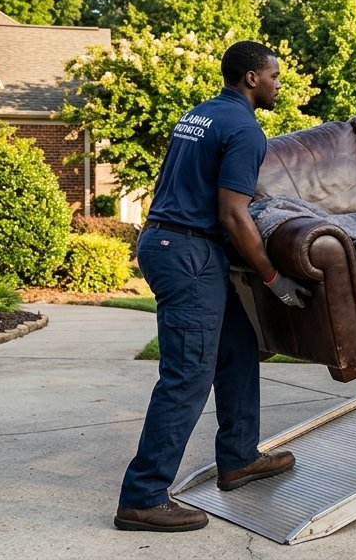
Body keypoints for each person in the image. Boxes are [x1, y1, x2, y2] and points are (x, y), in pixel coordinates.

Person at [115, 41, 313, 532]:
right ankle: (142, 497)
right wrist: (274, 278)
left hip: (169, 243)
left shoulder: (200, 115)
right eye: (274, 75)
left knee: (238, 348)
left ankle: (240, 458)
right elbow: (232, 213)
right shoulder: (245, 129)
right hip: (187, 254)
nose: (277, 84)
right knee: (188, 374)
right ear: (251, 78)